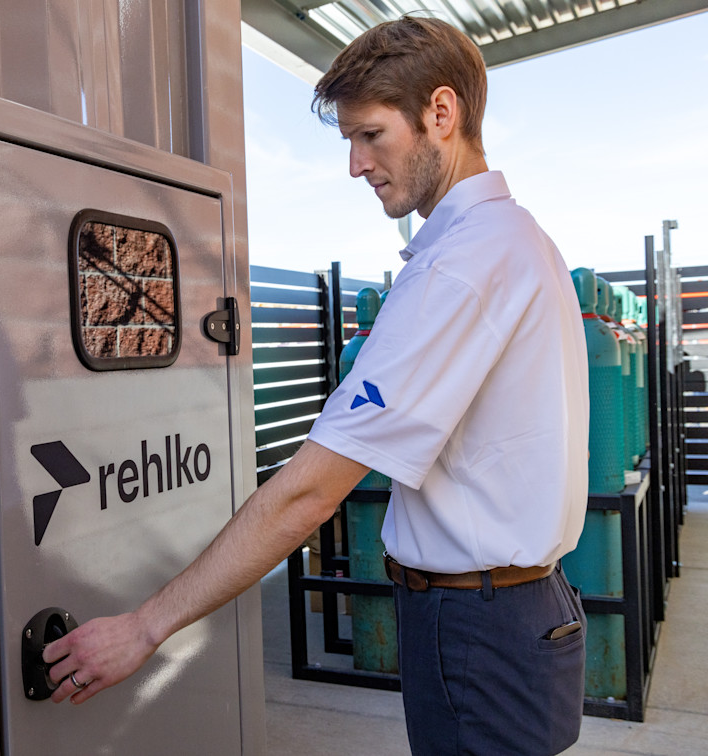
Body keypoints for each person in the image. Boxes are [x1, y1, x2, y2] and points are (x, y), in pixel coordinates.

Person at [45, 15, 589, 755]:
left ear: (441, 113)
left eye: (370, 135)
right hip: (524, 612)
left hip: (477, 631)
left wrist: (144, 628)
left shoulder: (459, 267)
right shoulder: (525, 242)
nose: (356, 165)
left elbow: (309, 491)